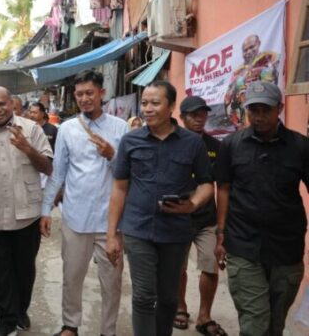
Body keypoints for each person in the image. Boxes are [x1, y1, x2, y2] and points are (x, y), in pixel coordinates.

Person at [106, 81, 215, 336]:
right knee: (144, 296)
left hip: (175, 232)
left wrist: (193, 204)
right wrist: (112, 234)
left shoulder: (192, 143)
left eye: (155, 103)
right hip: (138, 229)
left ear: (171, 107)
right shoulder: (130, 141)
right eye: (144, 103)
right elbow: (119, 188)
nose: (147, 109)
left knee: (168, 297)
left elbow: (207, 184)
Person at [215, 81, 309, 336]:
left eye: (265, 110)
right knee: (255, 323)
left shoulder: (300, 147)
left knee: (274, 325)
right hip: (243, 244)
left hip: (286, 248)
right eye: (253, 110)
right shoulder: (231, 145)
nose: (258, 117)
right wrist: (220, 233)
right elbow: (223, 188)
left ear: (279, 108)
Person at [40, 70, 128, 336]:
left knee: (112, 282)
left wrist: (112, 155)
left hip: (110, 222)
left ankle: (108, 331)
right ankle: (70, 325)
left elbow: (127, 173)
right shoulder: (67, 129)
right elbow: (59, 172)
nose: (85, 99)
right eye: (79, 94)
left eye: (90, 93)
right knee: (72, 277)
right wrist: (46, 210)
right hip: (75, 217)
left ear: (102, 93)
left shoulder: (120, 128)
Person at [0, 86, 53, 335]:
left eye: (1, 104)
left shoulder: (31, 129)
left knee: (24, 269)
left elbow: (48, 168)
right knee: (0, 271)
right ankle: (5, 320)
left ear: (11, 104)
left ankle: (21, 310)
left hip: (26, 214)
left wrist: (27, 148)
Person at [174, 96, 226, 336]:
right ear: (182, 117)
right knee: (177, 268)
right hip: (178, 217)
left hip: (207, 220)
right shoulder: (173, 143)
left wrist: (223, 228)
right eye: (194, 114)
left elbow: (223, 187)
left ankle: (204, 315)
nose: (199, 118)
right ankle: (180, 307)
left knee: (210, 266)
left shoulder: (215, 146)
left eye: (203, 114)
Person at [223, 35, 279, 128]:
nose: (248, 51)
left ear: (259, 44)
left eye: (252, 47)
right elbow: (228, 98)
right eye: (245, 50)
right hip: (243, 120)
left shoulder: (269, 58)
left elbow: (271, 83)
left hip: (263, 116)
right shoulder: (238, 72)